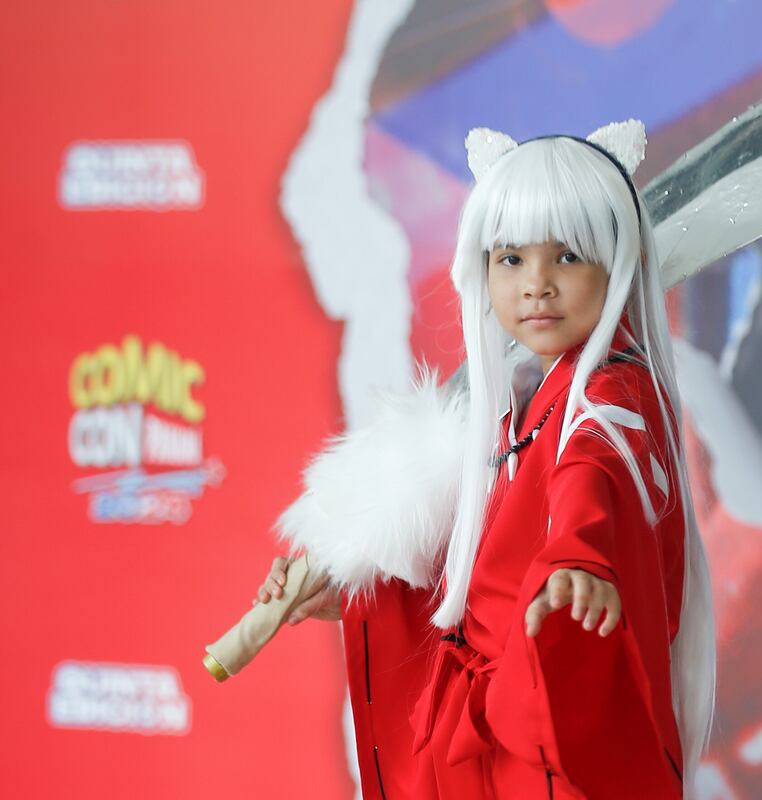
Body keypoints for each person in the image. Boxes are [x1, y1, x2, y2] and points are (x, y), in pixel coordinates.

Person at [256, 120, 716, 798]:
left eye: (568, 256)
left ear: (622, 261)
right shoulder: (521, 399)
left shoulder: (614, 395)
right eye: (511, 259)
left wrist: (580, 561)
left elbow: (594, 476)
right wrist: (357, 588)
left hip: (540, 735)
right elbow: (481, 578)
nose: (537, 285)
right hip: (492, 740)